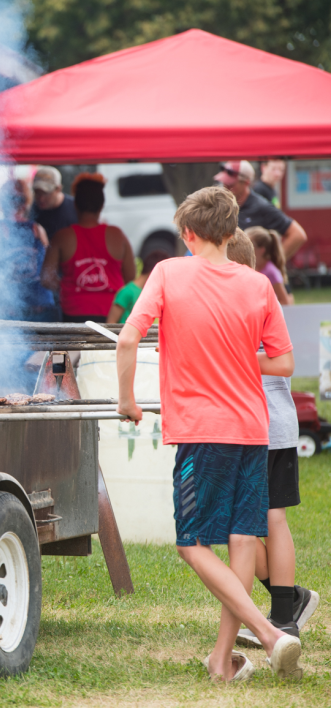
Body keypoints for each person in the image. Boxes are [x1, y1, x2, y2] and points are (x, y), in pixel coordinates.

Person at [117, 185, 301, 682]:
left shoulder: (168, 272)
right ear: (231, 230)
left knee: (191, 543)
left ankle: (269, 634)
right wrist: (243, 357)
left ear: (190, 233)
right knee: (243, 541)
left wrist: (127, 401)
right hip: (252, 429)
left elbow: (129, 336)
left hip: (203, 433)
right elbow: (284, 361)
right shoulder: (257, 284)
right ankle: (222, 660)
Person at [224, 232, 320, 649]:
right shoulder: (261, 299)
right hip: (265, 427)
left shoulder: (249, 300)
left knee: (257, 524)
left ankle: (283, 613)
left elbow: (282, 363)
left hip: (260, 429)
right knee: (250, 524)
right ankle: (288, 605)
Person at [41, 173, 136, 323]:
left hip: (74, 312)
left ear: (76, 204)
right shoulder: (117, 235)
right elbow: (130, 277)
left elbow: (46, 278)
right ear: (101, 205)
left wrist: (66, 288)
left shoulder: (62, 237)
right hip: (112, 313)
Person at [0, 179, 58, 322]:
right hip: (15, 309)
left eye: (20, 199)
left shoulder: (37, 229)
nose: (16, 204)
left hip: (35, 308)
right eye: (12, 199)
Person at [215, 160, 307, 259]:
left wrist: (274, 264)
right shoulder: (222, 206)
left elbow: (298, 235)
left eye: (231, 184)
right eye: (224, 183)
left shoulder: (260, 206)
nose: (226, 187)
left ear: (246, 182)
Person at [106, 249, 170, 324]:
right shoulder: (127, 291)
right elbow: (111, 322)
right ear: (155, 270)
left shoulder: (150, 292)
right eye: (164, 274)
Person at [247, 226, 293, 306]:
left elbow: (285, 302)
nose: (246, 249)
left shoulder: (271, 272)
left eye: (249, 246)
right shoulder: (253, 267)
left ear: (261, 250)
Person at [31, 166, 77, 239]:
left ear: (58, 189)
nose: (41, 199)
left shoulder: (76, 208)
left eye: (46, 193)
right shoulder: (32, 210)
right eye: (37, 193)